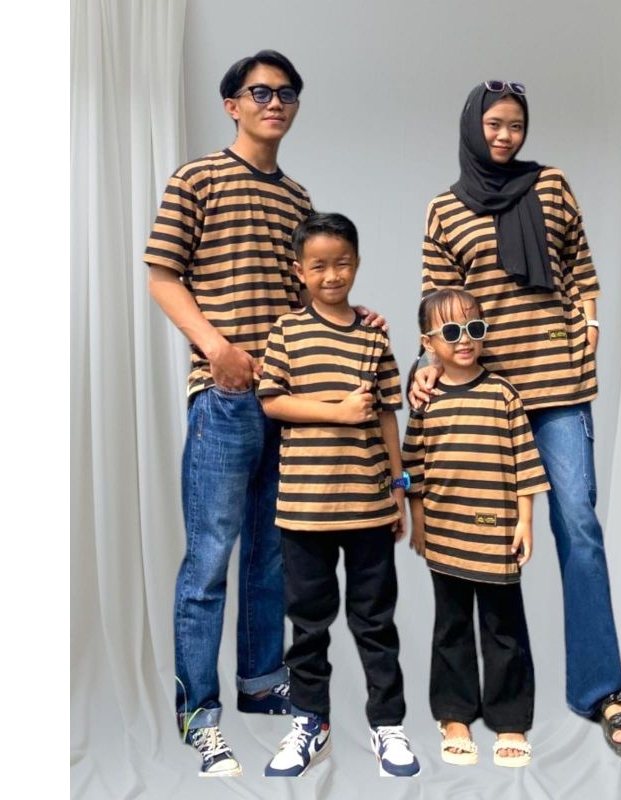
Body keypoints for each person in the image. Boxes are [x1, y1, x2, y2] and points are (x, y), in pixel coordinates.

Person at [144, 50, 384, 778]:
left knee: (273, 552)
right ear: (233, 105)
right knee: (210, 557)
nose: (274, 102)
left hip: (288, 400)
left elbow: (308, 296)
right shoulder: (197, 178)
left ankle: (260, 681)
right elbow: (161, 274)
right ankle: (199, 714)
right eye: (260, 92)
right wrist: (216, 347)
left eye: (286, 93)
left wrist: (352, 318)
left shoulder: (298, 198)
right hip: (223, 397)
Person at [409, 80, 621, 759]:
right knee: (473, 542)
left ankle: (605, 690)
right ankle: (475, 707)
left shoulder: (550, 185)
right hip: (482, 388)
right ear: (472, 126)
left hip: (557, 382)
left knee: (578, 525)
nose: (505, 135)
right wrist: (426, 363)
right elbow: (436, 300)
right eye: (494, 123)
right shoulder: (444, 209)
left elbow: (579, 264)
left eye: (515, 125)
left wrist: (591, 322)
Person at [257, 212, 420, 779]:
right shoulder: (286, 331)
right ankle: (310, 722)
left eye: (342, 263)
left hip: (369, 506)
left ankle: (388, 726)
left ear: (357, 263)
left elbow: (388, 415)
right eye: (319, 265)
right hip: (304, 509)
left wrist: (398, 487)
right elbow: (272, 401)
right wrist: (338, 412)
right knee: (308, 625)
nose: (332, 275)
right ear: (299, 270)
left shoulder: (374, 333)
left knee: (376, 623)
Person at [402, 288, 551, 768]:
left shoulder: (503, 393)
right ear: (428, 342)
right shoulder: (425, 400)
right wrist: (419, 521)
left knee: (504, 630)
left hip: (496, 535)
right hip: (445, 535)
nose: (464, 339)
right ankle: (454, 718)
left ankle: (510, 721)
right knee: (451, 628)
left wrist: (526, 521)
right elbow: (413, 465)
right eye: (450, 331)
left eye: (474, 327)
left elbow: (525, 461)